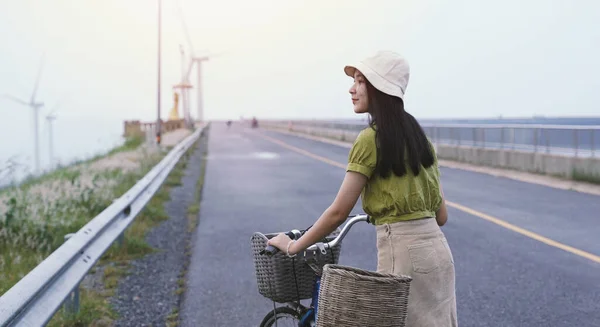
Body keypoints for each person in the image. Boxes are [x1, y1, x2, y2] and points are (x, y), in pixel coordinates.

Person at [267, 51, 457, 326]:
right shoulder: (421, 140)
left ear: (379, 88)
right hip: (440, 255)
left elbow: (338, 212)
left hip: (403, 255)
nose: (351, 89)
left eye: (359, 81)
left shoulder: (370, 140)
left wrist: (294, 246)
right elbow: (441, 217)